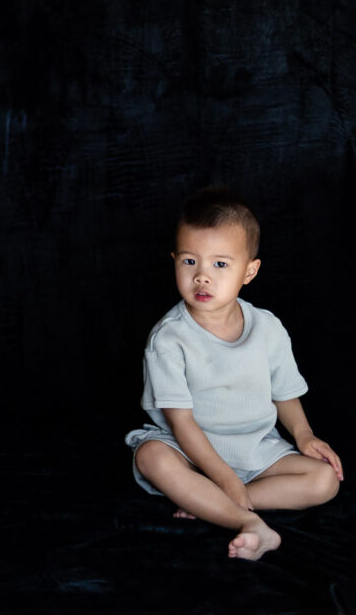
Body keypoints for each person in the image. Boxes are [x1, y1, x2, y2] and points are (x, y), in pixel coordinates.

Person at [124, 187, 343, 561]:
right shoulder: (169, 338)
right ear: (174, 261)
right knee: (151, 457)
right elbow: (182, 423)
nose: (202, 277)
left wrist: (304, 435)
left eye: (220, 265)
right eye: (190, 262)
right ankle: (249, 523)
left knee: (324, 481)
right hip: (191, 451)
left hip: (255, 447)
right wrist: (223, 477)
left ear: (249, 271)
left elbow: (284, 391)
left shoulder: (267, 327)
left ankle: (211, 503)